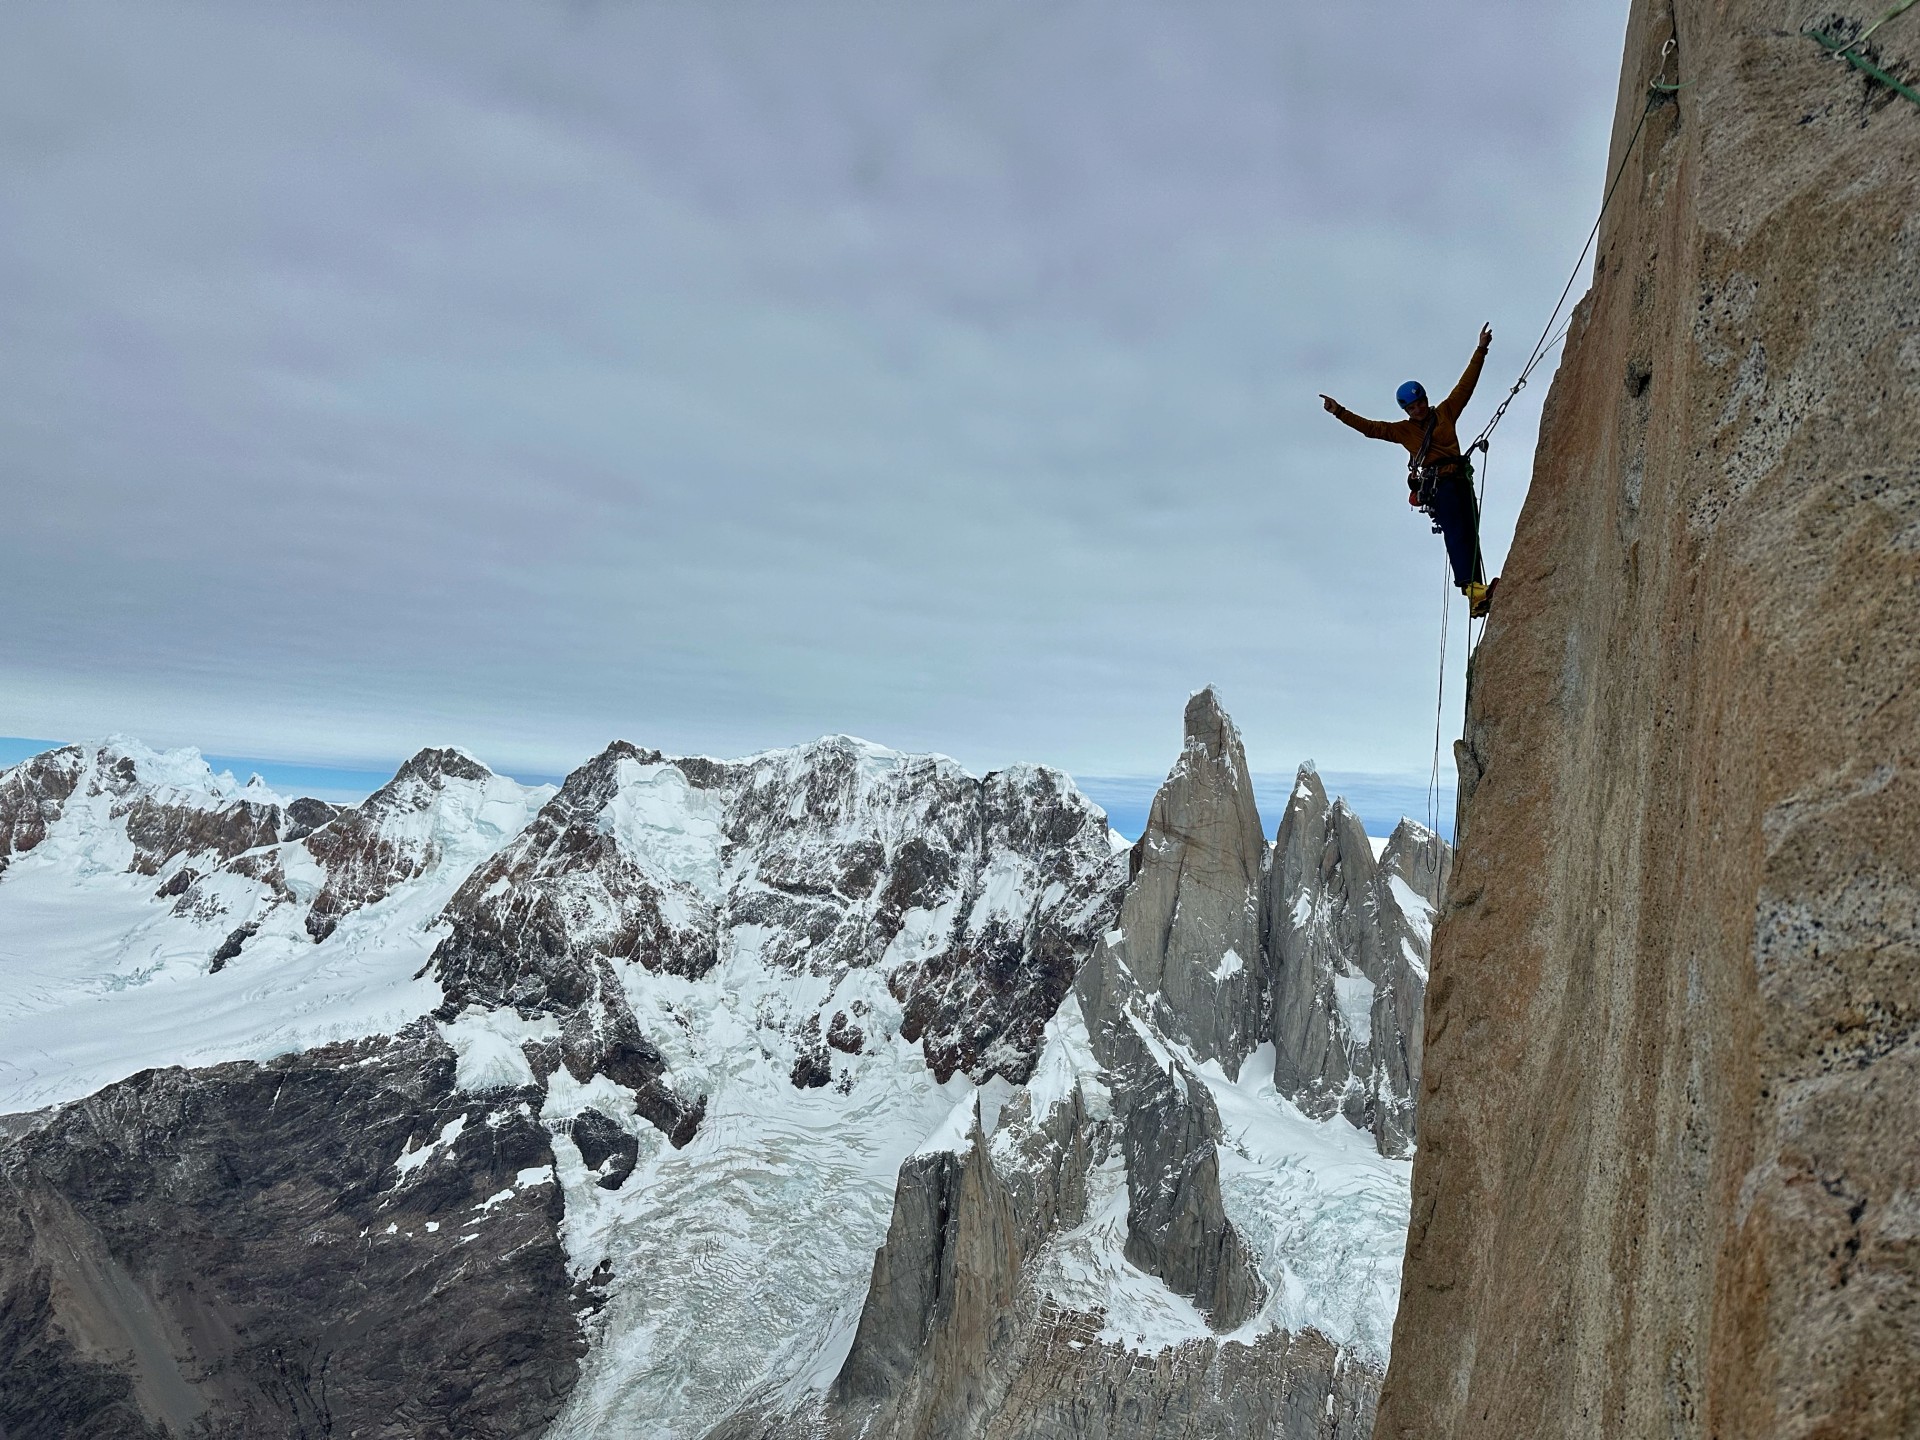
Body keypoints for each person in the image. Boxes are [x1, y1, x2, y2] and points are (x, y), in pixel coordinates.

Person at [1320, 325, 1498, 618]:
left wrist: (1480, 350)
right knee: (1456, 533)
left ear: (1426, 399)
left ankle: (1478, 594)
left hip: (1459, 479)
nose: (1418, 409)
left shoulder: (1445, 412)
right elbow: (1371, 429)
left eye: (1420, 403)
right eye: (1412, 407)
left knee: (1471, 531)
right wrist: (1339, 412)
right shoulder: (1402, 431)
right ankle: (1472, 590)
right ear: (1406, 410)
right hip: (1440, 485)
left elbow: (1466, 385)